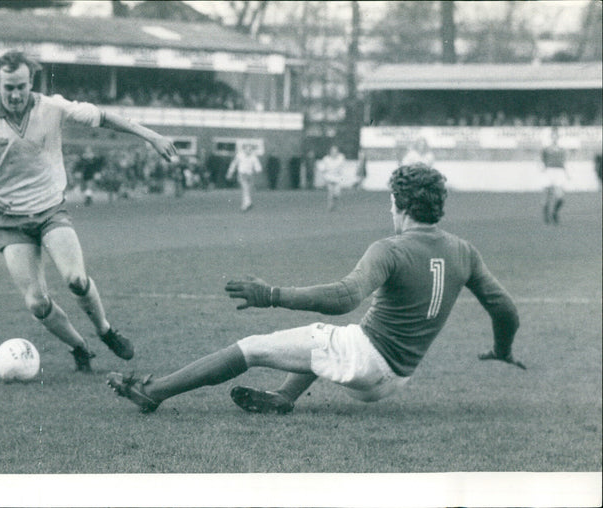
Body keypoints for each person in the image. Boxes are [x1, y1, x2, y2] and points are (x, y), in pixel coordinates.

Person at [107, 163, 524, 414]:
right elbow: (505, 309)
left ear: (399, 205)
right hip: (397, 377)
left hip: (364, 361)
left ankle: (153, 391)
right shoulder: (464, 251)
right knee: (324, 341)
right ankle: (284, 397)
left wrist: (271, 295)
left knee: (252, 347)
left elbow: (345, 297)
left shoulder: (391, 249)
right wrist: (502, 349)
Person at [0, 50, 177, 372]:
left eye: (21, 86)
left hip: (49, 209)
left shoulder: (52, 107)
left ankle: (105, 331)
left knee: (76, 279)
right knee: (36, 302)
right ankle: (80, 348)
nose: (15, 94)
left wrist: (152, 136)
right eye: (8, 88)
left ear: (31, 82)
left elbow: (103, 117)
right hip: (9, 218)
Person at [540, 126, 569, 224]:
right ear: (551, 137)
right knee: (547, 195)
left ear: (558, 137)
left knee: (560, 197)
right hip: (549, 171)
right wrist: (543, 168)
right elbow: (542, 160)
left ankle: (554, 212)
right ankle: (546, 215)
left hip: (559, 172)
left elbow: (563, 162)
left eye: (556, 136)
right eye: (553, 136)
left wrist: (566, 173)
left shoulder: (562, 149)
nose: (554, 138)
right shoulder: (546, 149)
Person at [225, 144, 262, 212]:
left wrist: (258, 170)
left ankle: (248, 203)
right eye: (247, 149)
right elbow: (234, 164)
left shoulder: (253, 157)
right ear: (244, 149)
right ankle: (245, 205)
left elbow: (257, 165)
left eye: (250, 149)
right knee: (245, 189)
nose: (248, 151)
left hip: (250, 175)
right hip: (242, 174)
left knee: (247, 190)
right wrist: (230, 172)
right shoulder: (239, 156)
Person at [316, 145, 348, 211]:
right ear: (330, 152)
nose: (334, 153)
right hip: (329, 177)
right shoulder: (326, 159)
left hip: (337, 178)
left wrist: (340, 172)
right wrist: (324, 170)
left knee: (337, 193)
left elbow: (342, 166)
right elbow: (321, 167)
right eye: (333, 151)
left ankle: (336, 205)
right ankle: (330, 206)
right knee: (330, 192)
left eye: (335, 151)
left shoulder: (341, 158)